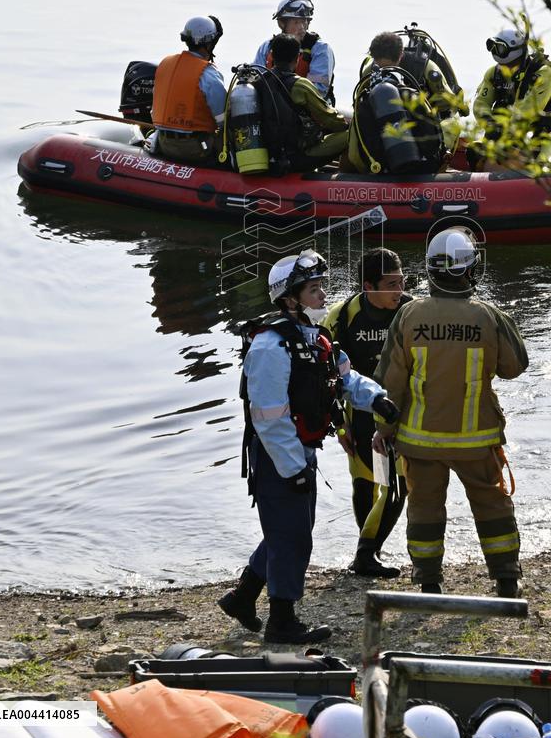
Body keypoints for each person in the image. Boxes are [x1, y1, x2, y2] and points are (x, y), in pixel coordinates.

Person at [217, 249, 399, 644]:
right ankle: (282, 620)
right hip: (277, 456)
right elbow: (269, 418)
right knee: (294, 535)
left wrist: (377, 397)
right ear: (289, 298)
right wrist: (291, 467)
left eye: (321, 288)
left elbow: (346, 378)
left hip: (302, 451)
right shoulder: (269, 347)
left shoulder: (316, 339)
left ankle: (243, 597)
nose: (322, 296)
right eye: (314, 289)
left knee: (290, 529)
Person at [373, 226, 529, 597]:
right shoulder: (488, 316)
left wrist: (384, 428)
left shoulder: (409, 315)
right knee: (491, 503)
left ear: (430, 270)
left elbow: (389, 382)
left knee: (425, 507)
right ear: (471, 269)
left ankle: (428, 580)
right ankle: (506, 578)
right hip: (476, 440)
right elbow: (515, 365)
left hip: (419, 440)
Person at [322, 248, 412, 578]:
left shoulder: (410, 311)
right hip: (358, 413)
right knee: (364, 484)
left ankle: (366, 552)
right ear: (368, 286)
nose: (398, 290)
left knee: (396, 487)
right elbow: (323, 372)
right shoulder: (343, 315)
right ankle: (369, 552)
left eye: (401, 282)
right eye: (390, 284)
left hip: (397, 412)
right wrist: (337, 424)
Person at [469, 28, 551, 167]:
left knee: (542, 166)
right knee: (475, 152)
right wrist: (490, 125)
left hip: (549, 137)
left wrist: (504, 131)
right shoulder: (493, 74)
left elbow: (528, 111)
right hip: (509, 137)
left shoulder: (544, 73)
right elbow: (481, 103)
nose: (505, 71)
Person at [345, 32, 446, 174]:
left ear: (372, 56)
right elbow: (433, 144)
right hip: (420, 170)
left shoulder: (365, 94)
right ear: (401, 55)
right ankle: (441, 174)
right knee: (451, 125)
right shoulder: (414, 94)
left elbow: (354, 155)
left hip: (378, 169)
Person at [252, 32, 349, 171]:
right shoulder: (301, 85)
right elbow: (330, 119)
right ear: (298, 58)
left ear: (272, 55)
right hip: (295, 157)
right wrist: (347, 125)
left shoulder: (257, 83)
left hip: (265, 155)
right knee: (351, 135)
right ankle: (346, 176)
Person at [151, 15, 227, 166]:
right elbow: (223, 119)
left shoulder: (165, 64)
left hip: (163, 143)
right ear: (210, 42)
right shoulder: (209, 74)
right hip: (194, 148)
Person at [254, 0, 336, 103]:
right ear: (282, 23)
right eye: (296, 22)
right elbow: (255, 78)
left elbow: (318, 91)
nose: (302, 27)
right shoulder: (268, 47)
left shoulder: (320, 49)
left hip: (307, 110)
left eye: (304, 21)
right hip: (272, 106)